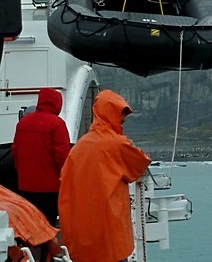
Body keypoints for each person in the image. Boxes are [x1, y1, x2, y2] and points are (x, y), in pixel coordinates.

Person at [58, 89, 151, 262]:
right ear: (112, 115)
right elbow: (140, 164)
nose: (122, 122)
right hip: (109, 233)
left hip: (81, 231)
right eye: (121, 119)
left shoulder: (80, 146)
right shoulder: (116, 144)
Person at [11, 87, 71, 226]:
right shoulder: (57, 124)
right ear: (57, 104)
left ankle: (31, 247)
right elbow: (62, 156)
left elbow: (15, 151)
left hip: (26, 185)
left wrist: (22, 172)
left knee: (31, 223)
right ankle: (46, 248)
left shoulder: (23, 122)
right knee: (47, 224)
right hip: (50, 186)